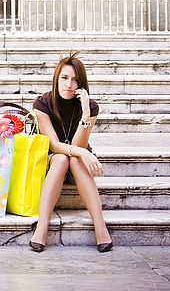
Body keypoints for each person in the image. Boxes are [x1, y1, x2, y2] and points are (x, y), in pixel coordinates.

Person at [29, 51, 113, 253]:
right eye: (64, 78)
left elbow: (79, 144)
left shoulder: (90, 107)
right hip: (55, 159)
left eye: (75, 80)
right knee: (61, 159)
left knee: (74, 160)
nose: (69, 84)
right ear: (56, 79)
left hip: (79, 161)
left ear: (81, 84)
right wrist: (83, 153)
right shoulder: (42, 104)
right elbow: (54, 145)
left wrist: (85, 114)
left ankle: (100, 228)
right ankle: (42, 227)